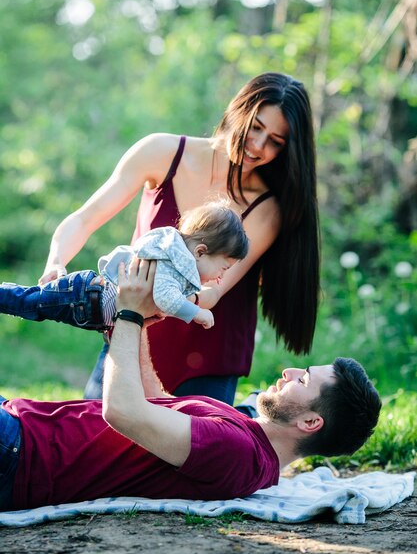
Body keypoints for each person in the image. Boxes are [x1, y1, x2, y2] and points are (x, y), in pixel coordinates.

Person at [0, 260, 381, 512]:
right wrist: (127, 327)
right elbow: (159, 403)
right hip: (20, 426)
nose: (290, 371)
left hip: (21, 457)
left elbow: (124, 411)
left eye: (304, 379)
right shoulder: (244, 432)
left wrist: (130, 313)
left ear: (311, 423)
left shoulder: (238, 454)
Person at [38, 72, 321, 403]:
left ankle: (252, 417)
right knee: (91, 448)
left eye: (276, 141)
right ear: (236, 110)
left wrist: (164, 296)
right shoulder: (162, 152)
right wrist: (56, 262)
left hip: (209, 352)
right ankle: (250, 416)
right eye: (255, 127)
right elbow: (85, 219)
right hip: (132, 334)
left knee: (193, 453)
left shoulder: (267, 207)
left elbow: (213, 291)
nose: (258, 146)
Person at [0, 202, 248, 332]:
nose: (220, 277)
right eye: (223, 268)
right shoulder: (172, 265)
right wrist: (197, 313)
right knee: (29, 303)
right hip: (84, 297)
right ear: (200, 252)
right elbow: (165, 299)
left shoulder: (176, 263)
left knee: (31, 303)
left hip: (87, 301)